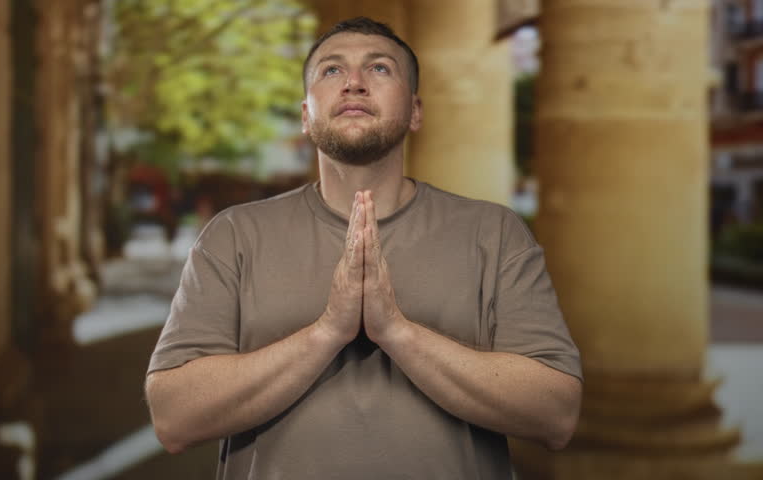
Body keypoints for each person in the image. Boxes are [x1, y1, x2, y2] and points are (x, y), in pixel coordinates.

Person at [145, 17, 582, 480]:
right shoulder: (232, 235)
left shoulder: (493, 232)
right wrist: (328, 331)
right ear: (305, 114)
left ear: (415, 111)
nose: (353, 83)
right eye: (331, 71)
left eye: (379, 69)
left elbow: (555, 417)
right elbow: (174, 420)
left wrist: (396, 332)